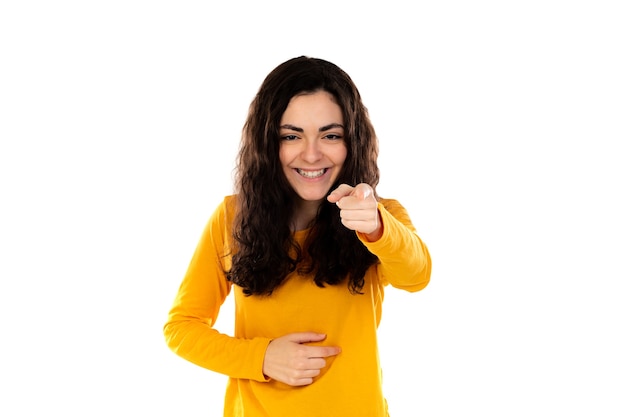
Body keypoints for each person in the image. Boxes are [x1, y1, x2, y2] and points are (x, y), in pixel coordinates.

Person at [163, 56, 432, 417]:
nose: (311, 154)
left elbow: (417, 276)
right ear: (267, 144)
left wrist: (376, 227)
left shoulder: (381, 217)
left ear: (352, 141)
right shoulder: (231, 218)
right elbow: (181, 328)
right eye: (292, 136)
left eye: (330, 135)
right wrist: (263, 357)